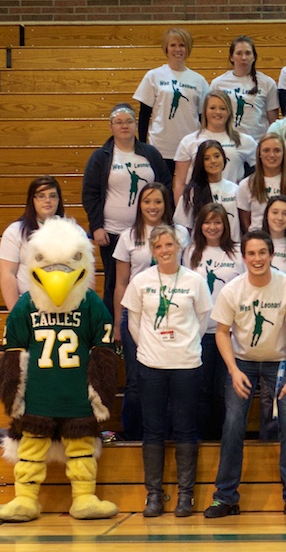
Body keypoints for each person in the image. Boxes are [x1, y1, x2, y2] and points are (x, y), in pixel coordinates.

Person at [204, 230, 286, 519]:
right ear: (244, 257)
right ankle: (225, 497)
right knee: (233, 424)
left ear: (271, 255)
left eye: (262, 252)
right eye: (251, 253)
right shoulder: (232, 290)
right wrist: (233, 370)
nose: (257, 258)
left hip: (280, 363)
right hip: (243, 362)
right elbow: (222, 333)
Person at [122, 225, 213, 518]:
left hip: (186, 363)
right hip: (151, 364)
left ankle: (186, 496)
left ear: (179, 247)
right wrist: (152, 346)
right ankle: (154, 495)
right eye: (159, 246)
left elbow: (202, 319)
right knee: (153, 429)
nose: (164, 250)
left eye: (169, 245)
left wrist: (183, 344)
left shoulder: (195, 280)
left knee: (186, 428)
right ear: (152, 249)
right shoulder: (141, 281)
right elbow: (134, 322)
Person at [112, 182, 190, 441]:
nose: (152, 207)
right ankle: (135, 437)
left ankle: (166, 436)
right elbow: (121, 282)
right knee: (136, 381)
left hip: (175, 315)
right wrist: (117, 322)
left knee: (171, 379)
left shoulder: (180, 232)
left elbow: (189, 275)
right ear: (139, 205)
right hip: (136, 314)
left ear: (166, 204)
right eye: (147, 201)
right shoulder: (129, 236)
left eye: (157, 201)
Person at [82, 102, 173, 311]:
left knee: (153, 280)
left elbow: (165, 186)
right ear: (111, 126)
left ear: (135, 125)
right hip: (113, 233)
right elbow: (90, 194)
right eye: (119, 122)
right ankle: (114, 332)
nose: (124, 126)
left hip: (151, 232)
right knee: (115, 284)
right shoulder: (101, 157)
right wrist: (96, 226)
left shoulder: (150, 153)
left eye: (129, 121)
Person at [183, 203, 245, 441]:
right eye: (207, 222)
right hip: (202, 332)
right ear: (200, 225)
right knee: (203, 391)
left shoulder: (237, 252)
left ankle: (222, 440)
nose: (212, 227)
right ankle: (204, 441)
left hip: (230, 333)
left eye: (217, 222)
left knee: (224, 391)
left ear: (225, 225)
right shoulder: (190, 252)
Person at [132, 27, 209, 174]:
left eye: (182, 45)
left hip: (189, 146)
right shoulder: (153, 76)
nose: (177, 49)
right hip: (160, 146)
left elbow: (203, 117)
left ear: (188, 48)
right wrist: (142, 145)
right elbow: (144, 114)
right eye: (173, 45)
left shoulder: (199, 81)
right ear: (166, 48)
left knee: (187, 192)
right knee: (162, 192)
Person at [173, 89, 256, 200]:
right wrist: (181, 211)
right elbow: (180, 183)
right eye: (212, 108)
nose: (218, 112)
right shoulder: (189, 141)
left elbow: (259, 175)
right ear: (205, 111)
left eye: (222, 108)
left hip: (231, 202)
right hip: (198, 202)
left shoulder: (244, 141)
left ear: (229, 111)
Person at [0, 177, 66, 310]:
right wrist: (15, 313)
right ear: (32, 200)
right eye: (41, 196)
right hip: (28, 306)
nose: (48, 200)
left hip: (65, 306)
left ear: (58, 200)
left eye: (53, 196)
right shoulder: (15, 231)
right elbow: (6, 273)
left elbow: (86, 272)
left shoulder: (74, 232)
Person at [211, 36, 280, 142]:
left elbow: (273, 122)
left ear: (254, 57)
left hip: (257, 144)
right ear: (231, 57)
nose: (243, 57)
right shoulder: (218, 84)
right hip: (227, 143)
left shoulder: (267, 83)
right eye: (239, 53)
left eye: (248, 53)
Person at [237, 133, 286, 233]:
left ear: (284, 153)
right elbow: (245, 221)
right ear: (259, 154)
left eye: (277, 150)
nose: (272, 155)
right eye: (266, 150)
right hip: (259, 241)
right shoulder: (246, 185)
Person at [175, 140, 240, 243]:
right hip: (201, 251)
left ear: (224, 158)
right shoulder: (192, 192)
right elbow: (183, 227)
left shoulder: (236, 190)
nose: (213, 161)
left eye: (217, 156)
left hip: (232, 249)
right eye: (207, 158)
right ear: (201, 162)